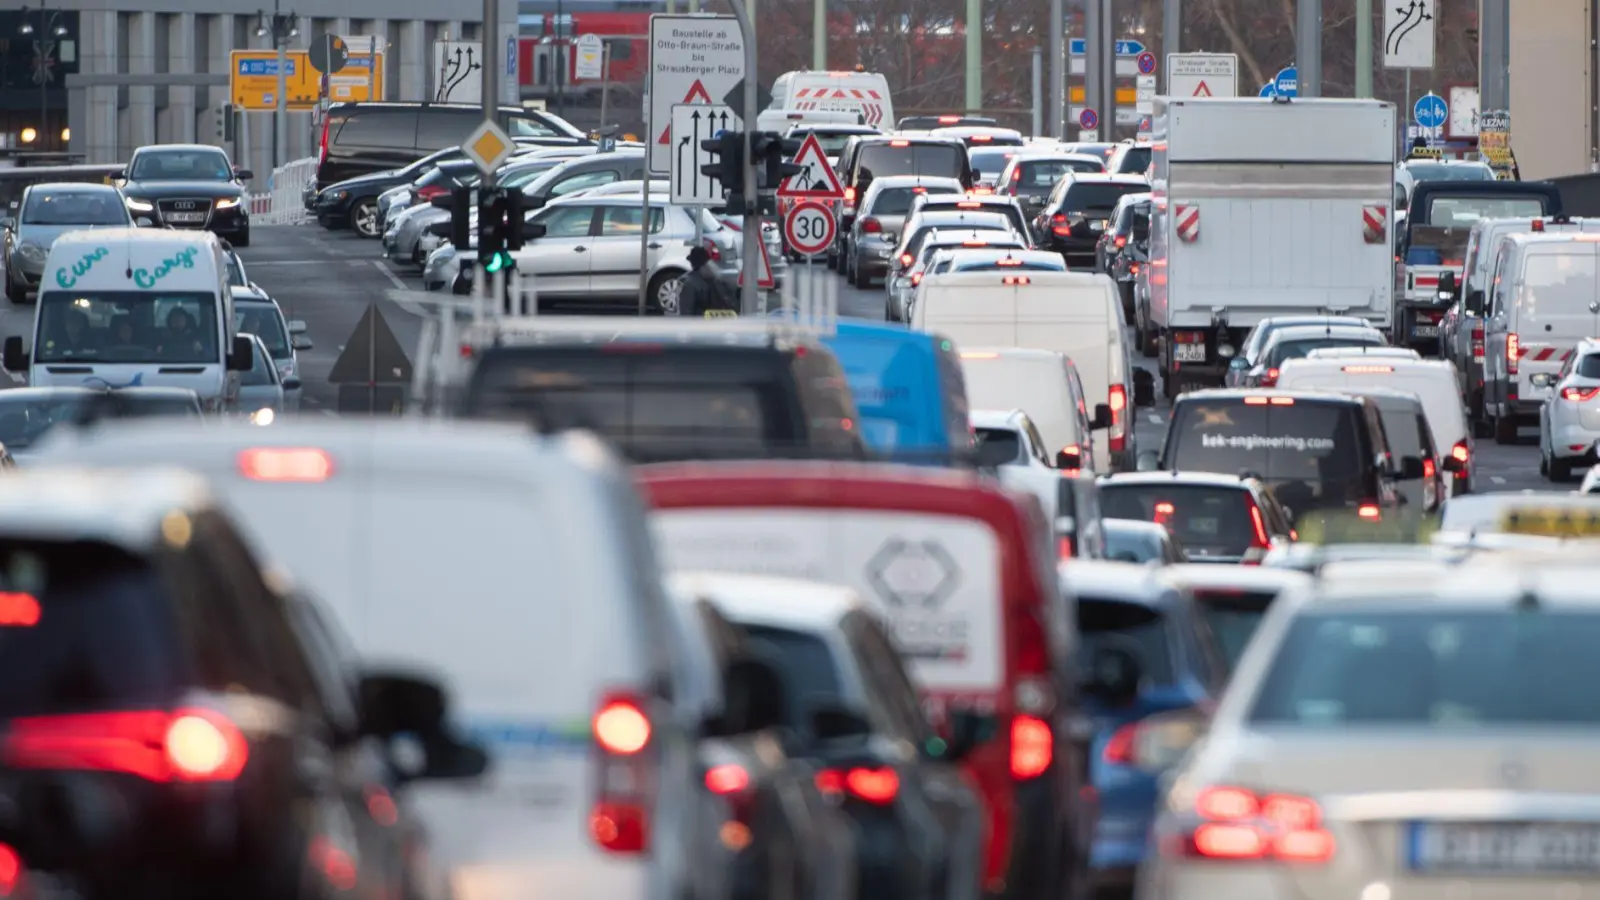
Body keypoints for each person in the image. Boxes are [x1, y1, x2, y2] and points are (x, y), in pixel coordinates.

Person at [676, 246, 738, 317]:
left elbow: (686, 312)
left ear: (692, 263)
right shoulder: (717, 279)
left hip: (700, 324)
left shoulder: (689, 283)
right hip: (721, 323)